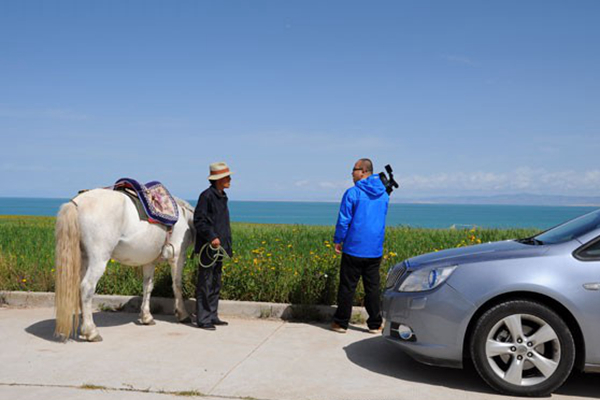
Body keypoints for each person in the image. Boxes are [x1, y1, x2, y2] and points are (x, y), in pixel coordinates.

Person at [331, 158, 389, 334]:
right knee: (372, 288)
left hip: (354, 247)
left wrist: (338, 240)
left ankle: (341, 323)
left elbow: (344, 220)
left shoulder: (352, 193)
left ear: (363, 171)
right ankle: (375, 324)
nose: (352, 174)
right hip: (374, 248)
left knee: (348, 287)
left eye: (354, 170)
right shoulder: (384, 194)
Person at [193, 162, 233, 330]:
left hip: (220, 248)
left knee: (216, 282)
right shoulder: (206, 196)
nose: (230, 179)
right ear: (219, 180)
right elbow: (199, 221)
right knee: (206, 282)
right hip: (209, 248)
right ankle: (203, 319)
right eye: (227, 177)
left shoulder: (221, 196)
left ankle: (212, 315)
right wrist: (212, 237)